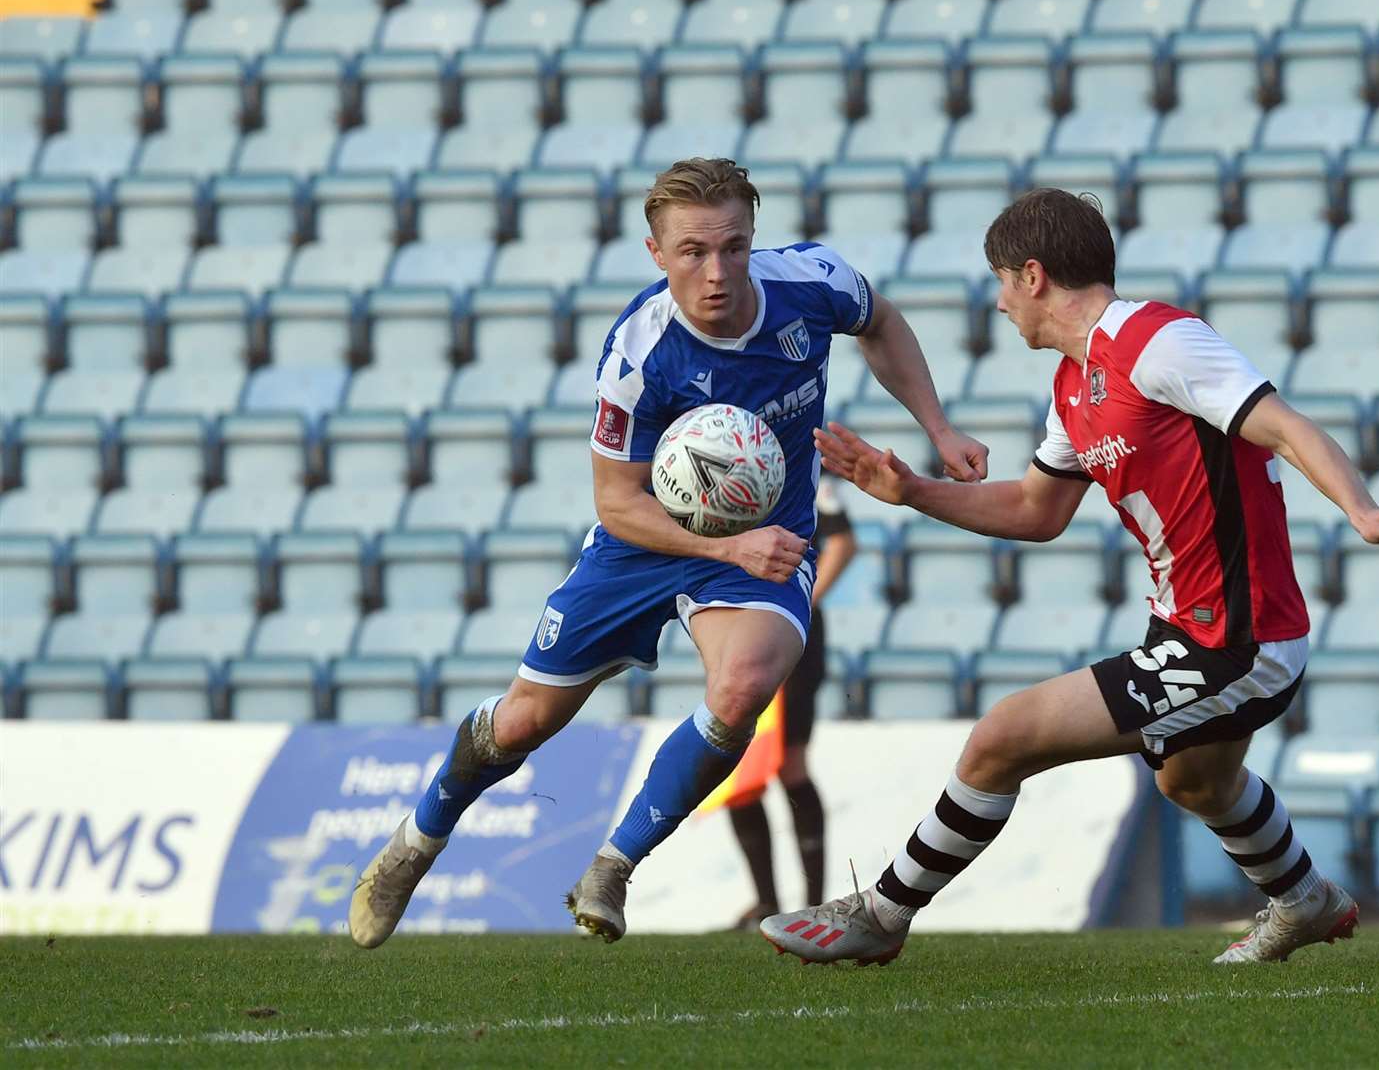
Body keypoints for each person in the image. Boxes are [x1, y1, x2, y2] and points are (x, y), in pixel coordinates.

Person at [761, 188, 1379, 966]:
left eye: (1002, 281)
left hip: (1238, 638)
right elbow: (1037, 510)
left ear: (1034, 276)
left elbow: (1281, 423)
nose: (1002, 303)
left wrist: (1361, 507)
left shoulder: (1159, 341)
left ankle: (881, 913)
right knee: (1195, 784)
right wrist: (911, 491)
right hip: (1185, 626)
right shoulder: (1075, 386)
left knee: (1002, 736)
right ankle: (1305, 898)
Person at [348, 158, 987, 948]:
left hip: (770, 543)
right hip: (643, 543)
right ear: (657, 253)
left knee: (744, 684)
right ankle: (417, 842)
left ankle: (612, 868)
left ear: (754, 240)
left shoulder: (813, 282)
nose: (716, 272)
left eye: (733, 247)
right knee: (518, 726)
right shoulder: (637, 352)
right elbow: (616, 501)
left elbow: (882, 322)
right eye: (692, 252)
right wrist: (723, 543)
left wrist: (938, 427)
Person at [728, 479, 856, 928]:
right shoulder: (725, 464)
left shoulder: (807, 470)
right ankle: (766, 904)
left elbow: (843, 540)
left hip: (790, 633)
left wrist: (806, 599)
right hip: (736, 629)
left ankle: (813, 904)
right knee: (739, 771)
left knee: (790, 764)